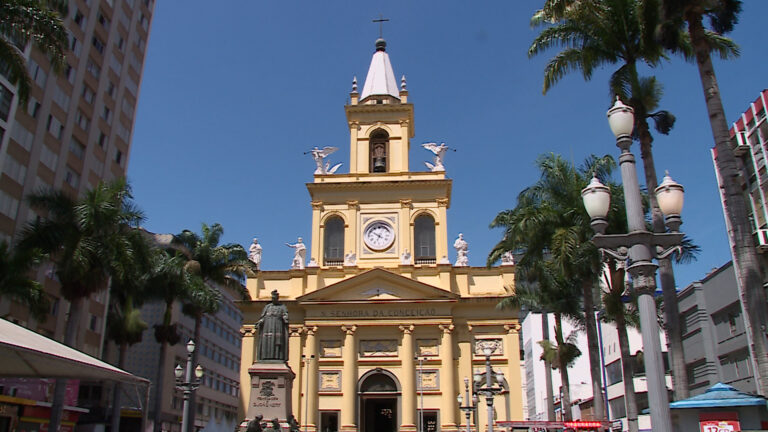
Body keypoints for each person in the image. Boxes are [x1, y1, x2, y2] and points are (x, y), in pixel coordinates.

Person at [256, 290, 289, 361]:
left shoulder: (282, 307)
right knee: (267, 340)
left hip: (278, 326)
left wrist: (285, 318)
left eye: (275, 298)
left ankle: (278, 357)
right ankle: (265, 356)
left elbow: (285, 315)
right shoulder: (267, 307)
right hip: (268, 326)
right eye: (272, 298)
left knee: (277, 341)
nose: (273, 299)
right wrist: (260, 322)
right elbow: (263, 317)